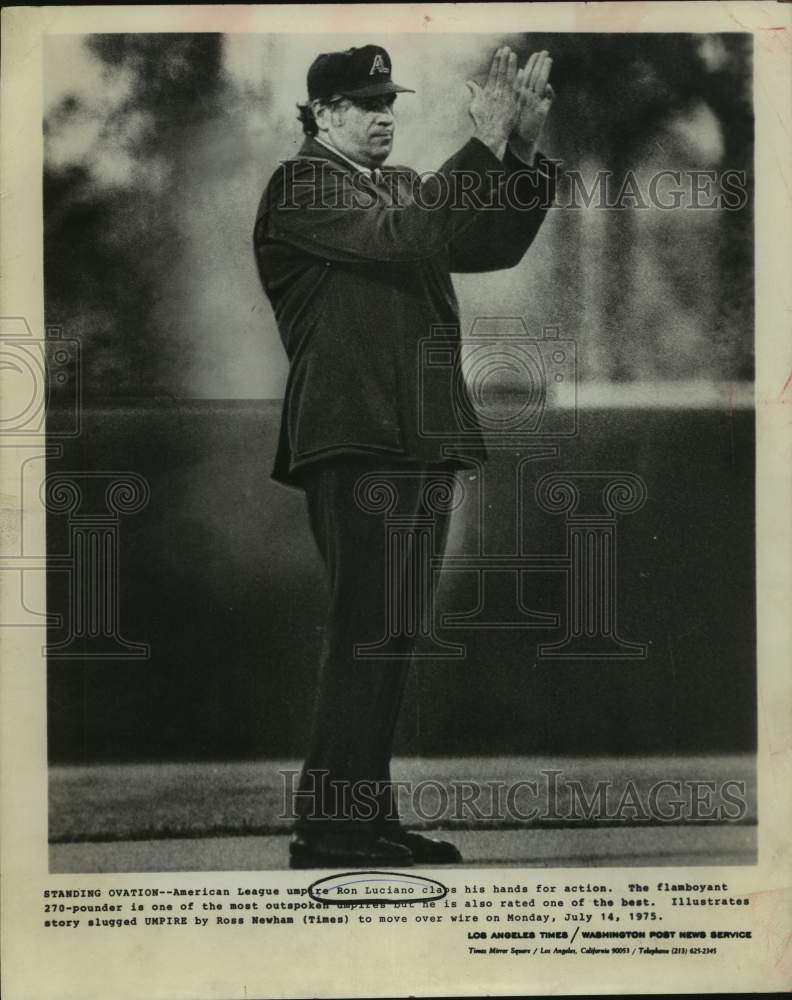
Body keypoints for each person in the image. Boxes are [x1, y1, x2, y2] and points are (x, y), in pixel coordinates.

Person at [254, 43, 556, 868]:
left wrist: (518, 150)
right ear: (321, 116)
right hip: (356, 432)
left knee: (388, 630)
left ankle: (360, 819)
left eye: (390, 101)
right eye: (364, 103)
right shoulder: (302, 185)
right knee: (368, 628)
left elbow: (488, 243)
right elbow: (406, 236)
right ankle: (331, 828)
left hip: (416, 433)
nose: (385, 114)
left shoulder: (395, 186)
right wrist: (484, 146)